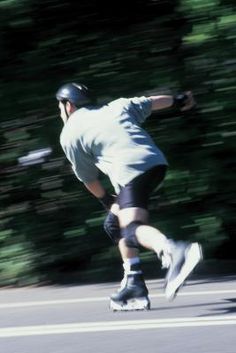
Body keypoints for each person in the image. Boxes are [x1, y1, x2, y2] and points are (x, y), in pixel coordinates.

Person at [56, 82, 202, 311]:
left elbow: (89, 180)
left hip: (131, 173)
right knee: (114, 224)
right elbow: (152, 102)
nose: (60, 112)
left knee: (132, 228)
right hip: (155, 164)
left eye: (60, 107)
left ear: (69, 106)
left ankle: (174, 251)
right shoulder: (116, 107)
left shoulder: (69, 134)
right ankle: (134, 283)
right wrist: (181, 99)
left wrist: (107, 201)